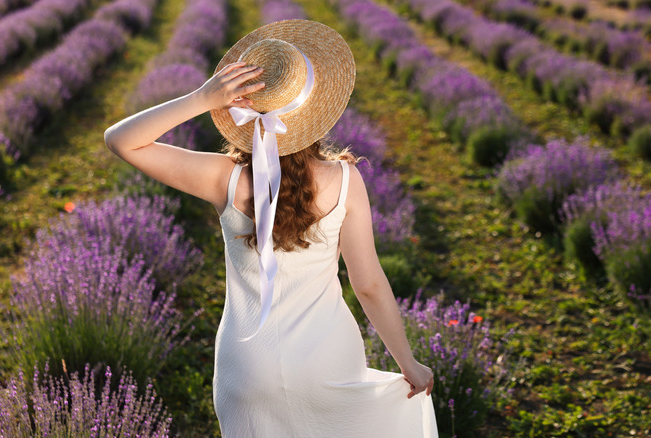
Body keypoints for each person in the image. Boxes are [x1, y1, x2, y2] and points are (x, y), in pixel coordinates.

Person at [104, 19, 437, 437]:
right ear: (314, 105)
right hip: (326, 361)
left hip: (246, 366)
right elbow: (368, 283)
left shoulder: (221, 176)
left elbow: (120, 139)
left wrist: (200, 98)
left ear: (239, 109)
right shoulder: (346, 181)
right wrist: (408, 363)